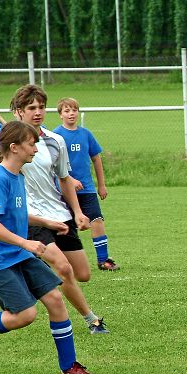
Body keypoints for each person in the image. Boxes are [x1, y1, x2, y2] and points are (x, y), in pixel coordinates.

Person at [0, 85, 111, 334]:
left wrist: (76, 211)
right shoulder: (7, 139)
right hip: (29, 218)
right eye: (31, 108)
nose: (38, 112)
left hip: (58, 215)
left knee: (82, 273)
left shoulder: (55, 141)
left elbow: (64, 178)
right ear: (18, 111)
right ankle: (91, 319)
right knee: (62, 268)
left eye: (41, 107)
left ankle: (31, 271)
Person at [0, 120, 94, 374]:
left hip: (12, 250)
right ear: (14, 148)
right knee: (24, 315)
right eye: (31, 144)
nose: (36, 149)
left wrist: (46, 222)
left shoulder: (17, 175)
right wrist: (26, 243)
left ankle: (69, 366)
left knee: (55, 299)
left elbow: (16, 213)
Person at [54, 97, 120, 271]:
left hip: (87, 189)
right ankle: (64, 260)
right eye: (66, 111)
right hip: (64, 189)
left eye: (74, 110)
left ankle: (103, 260)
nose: (71, 114)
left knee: (97, 221)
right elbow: (52, 164)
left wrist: (101, 185)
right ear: (60, 115)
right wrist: (69, 179)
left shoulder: (85, 134)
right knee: (65, 226)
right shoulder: (56, 135)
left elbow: (96, 159)